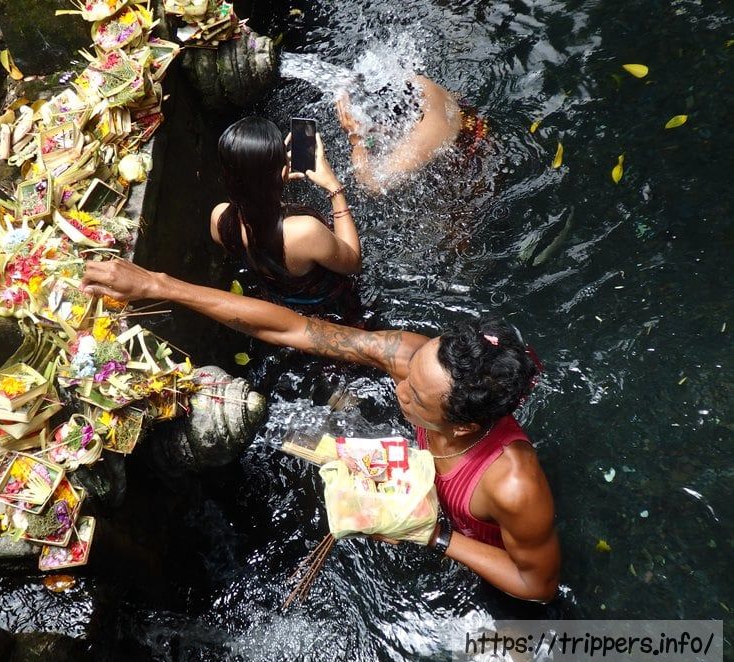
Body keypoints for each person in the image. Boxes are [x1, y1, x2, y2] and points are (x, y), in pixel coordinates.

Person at [80, 261, 561, 602]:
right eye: (409, 375)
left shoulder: (513, 485)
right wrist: (159, 285)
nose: (400, 388)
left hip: (467, 553)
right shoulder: (413, 359)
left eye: (416, 396)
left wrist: (431, 535)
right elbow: (295, 330)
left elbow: (537, 585)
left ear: (465, 425)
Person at [210, 116, 361, 309]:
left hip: (279, 302)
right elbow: (354, 263)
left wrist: (271, 185)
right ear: (283, 171)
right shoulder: (304, 231)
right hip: (330, 308)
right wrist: (334, 187)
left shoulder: (219, 219)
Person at [335, 75, 488, 193]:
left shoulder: (419, 142)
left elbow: (371, 185)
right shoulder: (419, 84)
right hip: (471, 120)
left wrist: (357, 140)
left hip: (473, 165)